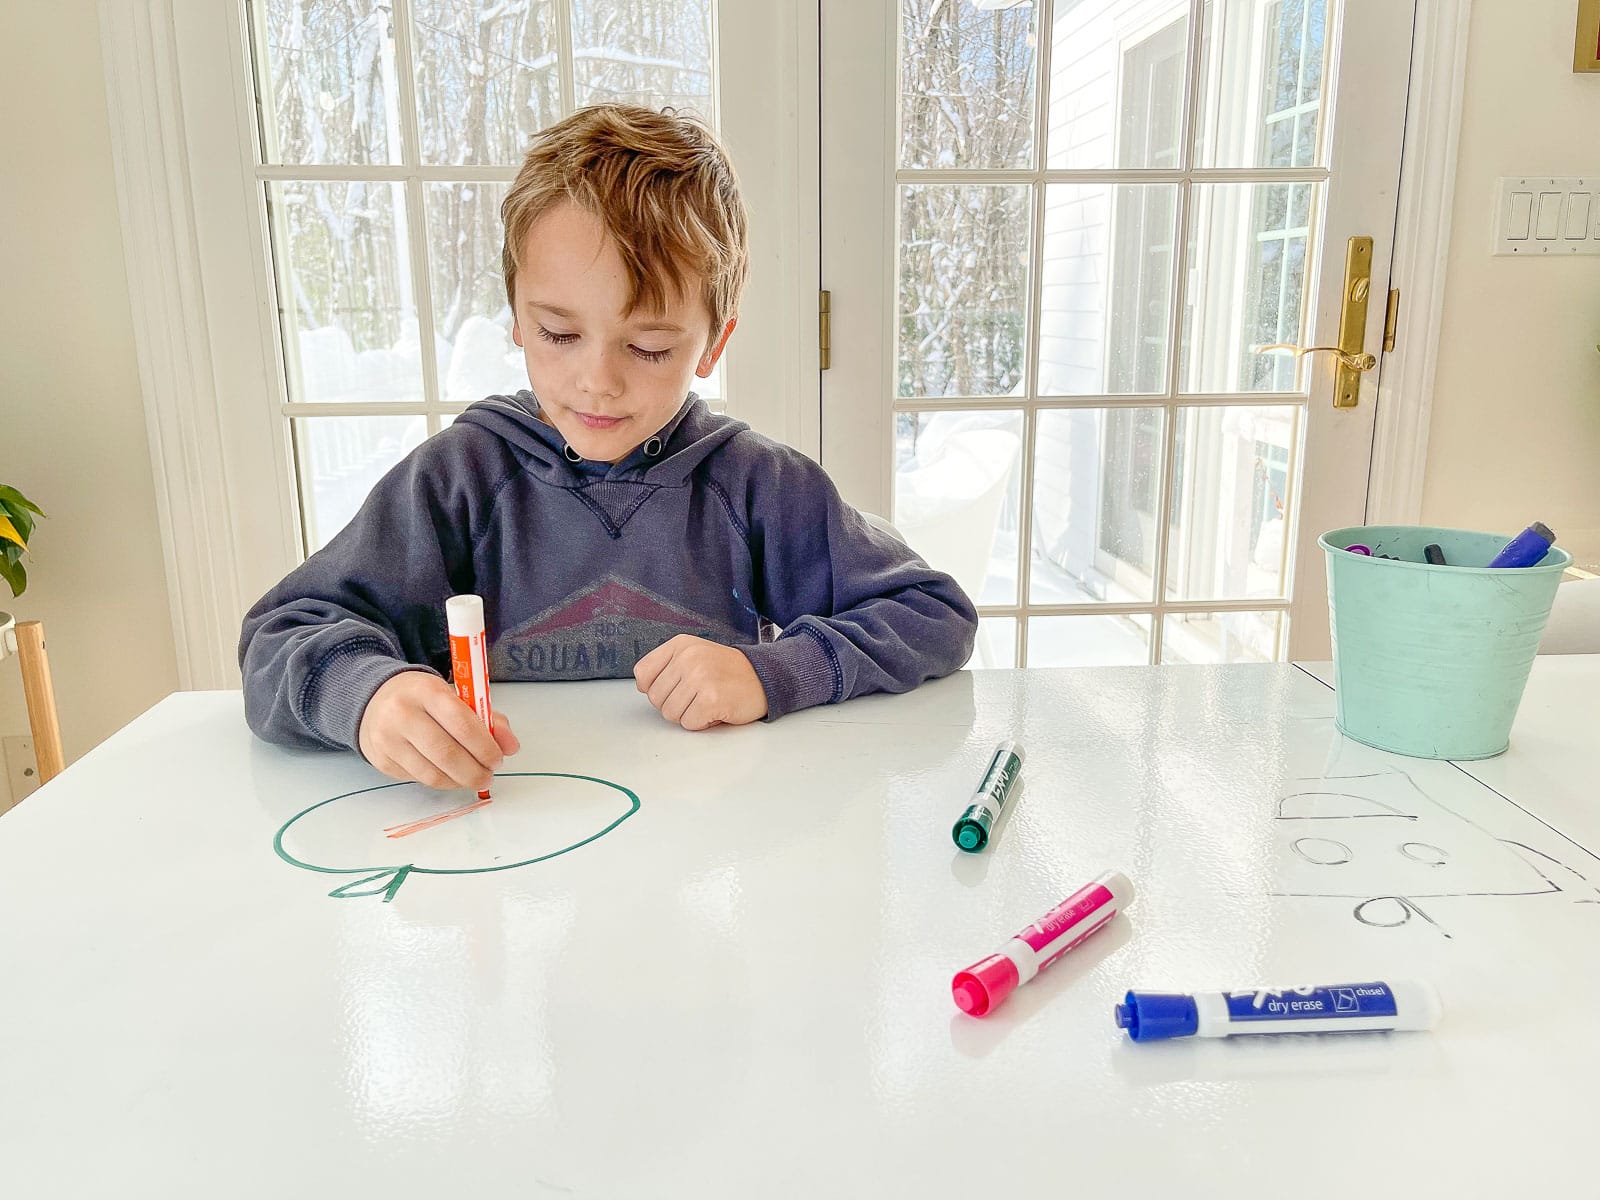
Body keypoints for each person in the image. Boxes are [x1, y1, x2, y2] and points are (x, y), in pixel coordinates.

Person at [240, 104, 977, 791]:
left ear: (713, 342)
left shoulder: (755, 486)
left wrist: (773, 674)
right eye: (559, 334)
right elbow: (279, 637)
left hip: (706, 831)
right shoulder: (457, 480)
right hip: (503, 836)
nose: (598, 382)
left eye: (650, 346)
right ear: (519, 321)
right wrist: (369, 697)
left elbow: (932, 612)